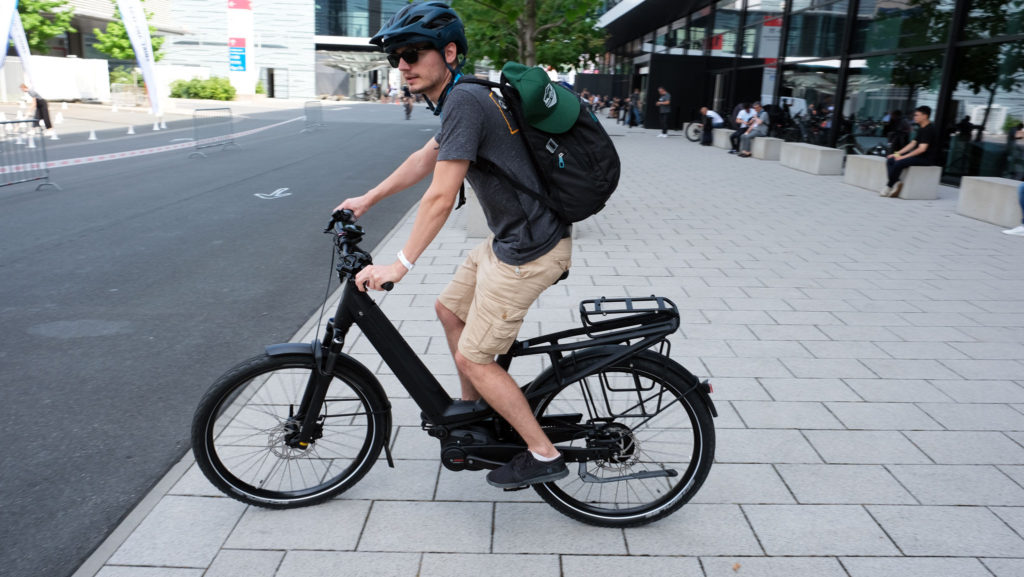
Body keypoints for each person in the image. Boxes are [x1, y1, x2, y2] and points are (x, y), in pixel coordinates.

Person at [334, 1, 572, 489]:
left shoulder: (464, 100)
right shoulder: (462, 98)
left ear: (448, 52)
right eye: (395, 56)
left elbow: (441, 197)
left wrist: (399, 264)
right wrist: (368, 199)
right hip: (511, 241)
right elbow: (426, 157)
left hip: (530, 251)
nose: (402, 64)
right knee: (449, 311)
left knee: (474, 356)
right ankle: (477, 412)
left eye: (413, 53)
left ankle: (543, 454)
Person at [881, 106, 938, 197]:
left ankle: (889, 186)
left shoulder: (929, 129)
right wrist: (896, 154)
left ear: (925, 116)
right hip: (918, 157)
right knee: (890, 159)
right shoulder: (922, 128)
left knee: (898, 163)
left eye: (917, 115)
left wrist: (902, 157)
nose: (914, 117)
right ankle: (897, 182)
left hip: (926, 159)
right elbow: (912, 144)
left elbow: (921, 149)